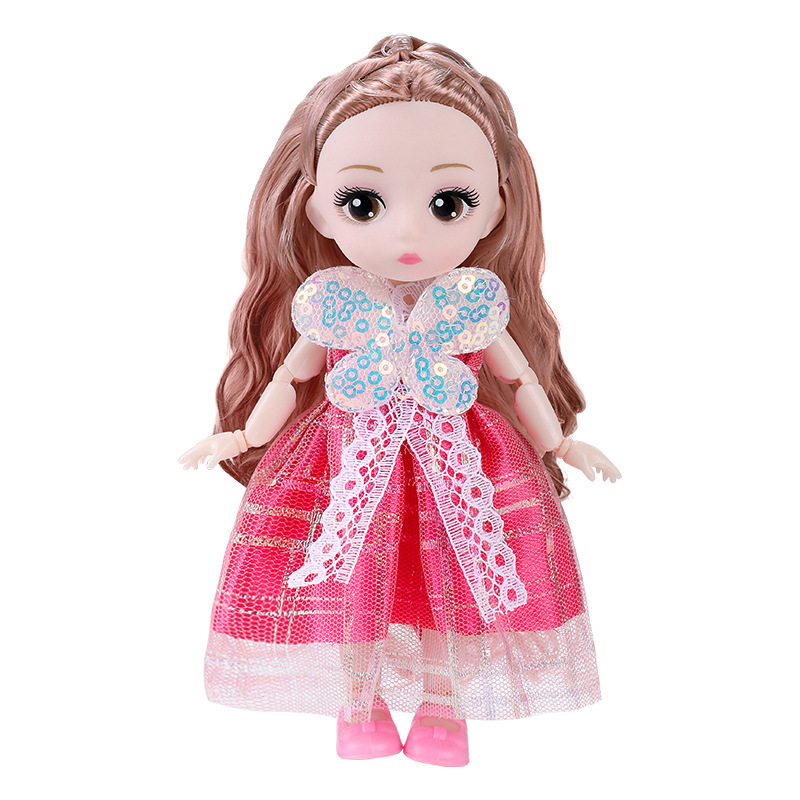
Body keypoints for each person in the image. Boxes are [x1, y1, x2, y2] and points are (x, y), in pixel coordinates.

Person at [180, 34, 620, 767]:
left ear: (496, 210)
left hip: (459, 462)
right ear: (318, 211)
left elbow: (519, 379)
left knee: (454, 575)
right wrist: (240, 436)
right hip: (346, 457)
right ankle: (361, 703)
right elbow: (290, 378)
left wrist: (562, 444)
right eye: (363, 203)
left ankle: (445, 707)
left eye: (449, 203)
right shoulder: (337, 305)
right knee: (354, 577)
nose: (407, 231)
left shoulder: (472, 306)